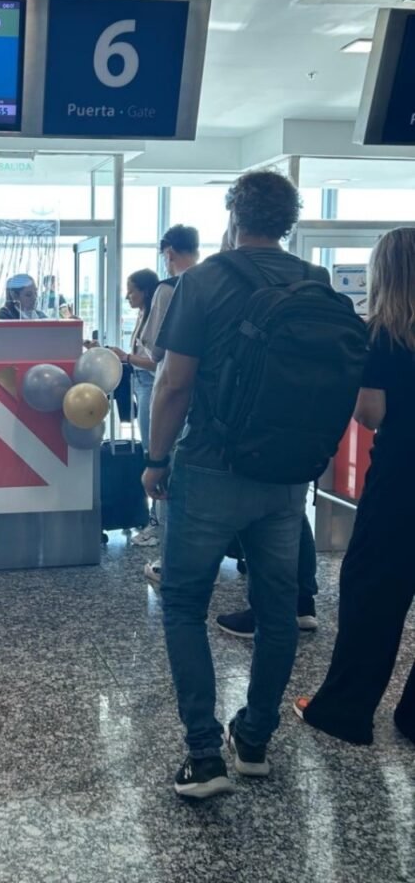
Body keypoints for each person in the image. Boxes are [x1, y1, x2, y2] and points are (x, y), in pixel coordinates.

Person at [142, 170, 329, 799]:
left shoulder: (203, 282)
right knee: (278, 611)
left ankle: (203, 756)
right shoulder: (315, 281)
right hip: (286, 476)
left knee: (183, 604)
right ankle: (253, 740)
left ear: (233, 217)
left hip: (211, 467)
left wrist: (156, 460)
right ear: (288, 223)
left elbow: (174, 384)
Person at [294, 227, 415, 747]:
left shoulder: (385, 334)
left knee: (373, 593)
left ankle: (343, 710)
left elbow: (371, 412)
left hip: (402, 480)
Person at [137, 225, 200, 576]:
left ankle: (170, 561)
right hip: (213, 402)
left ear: (169, 253)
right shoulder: (216, 283)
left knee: (167, 478)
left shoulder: (168, 288)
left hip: (176, 393)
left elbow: (156, 350)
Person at [109, 270, 160, 450]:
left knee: (150, 442)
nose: (126, 297)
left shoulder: (154, 319)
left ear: (144, 291)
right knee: (147, 436)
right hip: (139, 381)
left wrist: (127, 357)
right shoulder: (142, 314)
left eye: (131, 291)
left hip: (149, 382)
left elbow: (157, 364)